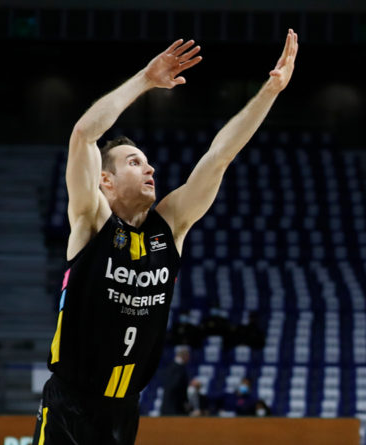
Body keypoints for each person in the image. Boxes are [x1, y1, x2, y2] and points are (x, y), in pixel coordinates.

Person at [33, 30, 298, 445]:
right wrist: (145, 80)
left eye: (149, 162)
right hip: (71, 401)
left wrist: (270, 91)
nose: (150, 169)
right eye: (135, 163)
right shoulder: (91, 220)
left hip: (125, 407)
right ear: (105, 181)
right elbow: (83, 134)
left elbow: (220, 155)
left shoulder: (170, 225)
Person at [160, 345, 191, 416]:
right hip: (174, 407)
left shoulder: (171, 367)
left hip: (168, 406)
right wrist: (184, 402)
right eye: (188, 357)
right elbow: (176, 387)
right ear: (185, 356)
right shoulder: (179, 369)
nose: (189, 359)